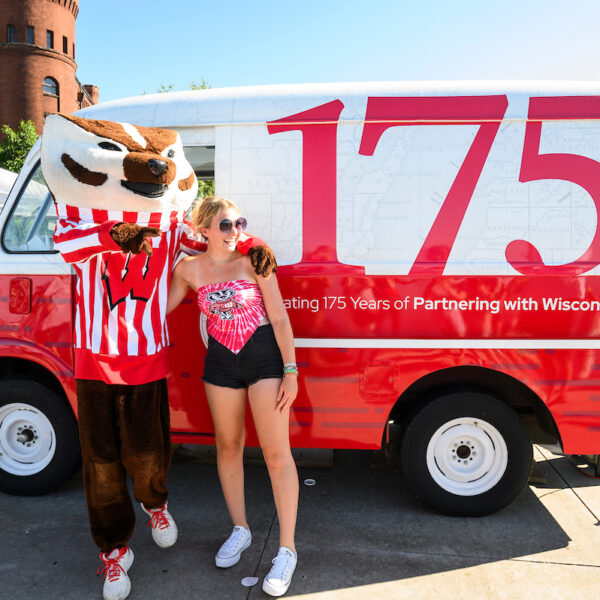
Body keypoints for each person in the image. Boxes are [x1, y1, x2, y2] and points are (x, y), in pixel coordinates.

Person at [167, 196, 299, 597]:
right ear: (204, 229)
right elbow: (157, 309)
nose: (235, 231)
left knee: (277, 453)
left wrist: (291, 371)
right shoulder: (188, 269)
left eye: (239, 222)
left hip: (264, 362)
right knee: (228, 446)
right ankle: (240, 530)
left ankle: (287, 549)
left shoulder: (254, 261)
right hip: (221, 365)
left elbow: (278, 317)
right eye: (225, 225)